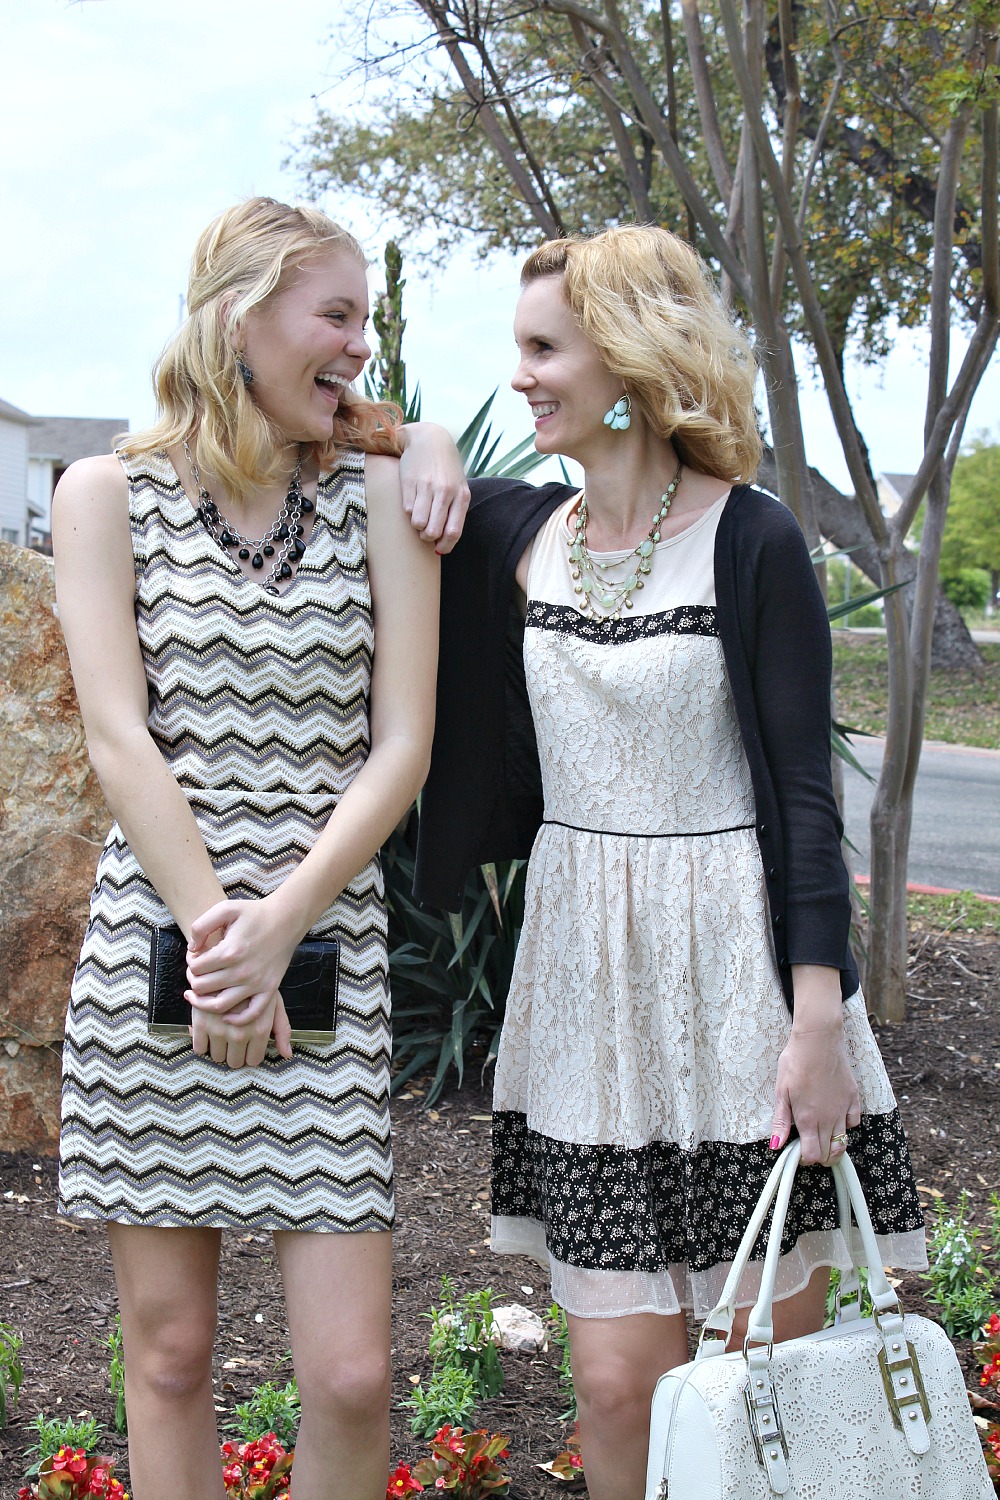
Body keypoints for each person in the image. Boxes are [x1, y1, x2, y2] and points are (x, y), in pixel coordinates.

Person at [414, 225, 927, 1500]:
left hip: (740, 984)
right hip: (586, 981)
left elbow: (804, 797)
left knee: (758, 1387)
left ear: (632, 360)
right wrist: (422, 440)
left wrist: (818, 1021)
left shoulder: (751, 541)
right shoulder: (517, 529)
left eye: (544, 348)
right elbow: (361, 438)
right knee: (612, 1385)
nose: (521, 376)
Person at [52, 196, 465, 1500]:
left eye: (365, 318)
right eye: (335, 314)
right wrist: (216, 937)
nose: (359, 344)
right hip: (154, 955)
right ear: (243, 314)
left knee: (349, 1374)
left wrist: (279, 922)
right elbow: (119, 737)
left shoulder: (385, 492)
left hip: (322, 940)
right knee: (169, 1357)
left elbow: (402, 743)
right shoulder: (103, 494)